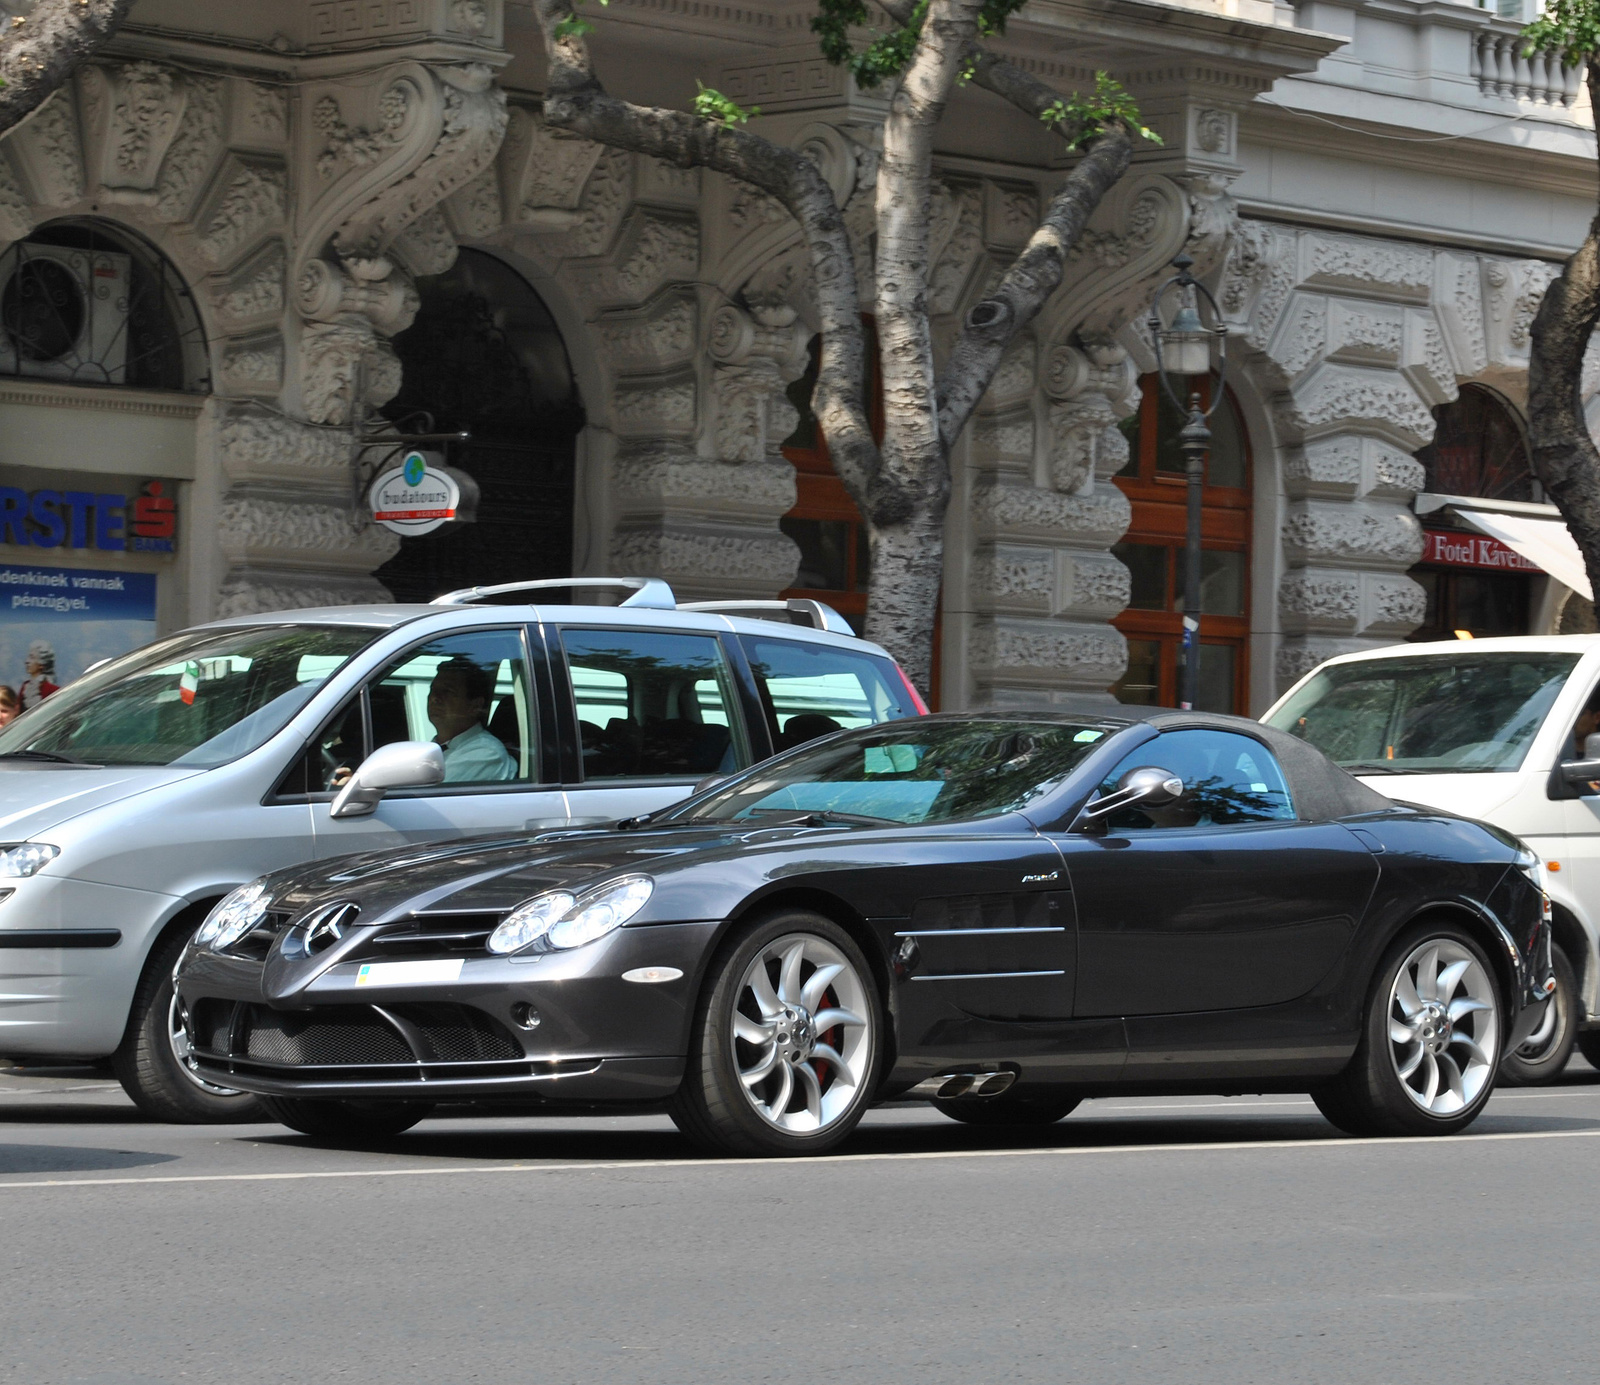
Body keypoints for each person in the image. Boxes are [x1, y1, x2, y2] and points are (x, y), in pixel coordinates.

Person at [427, 656, 516, 782]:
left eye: (447, 691)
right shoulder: (437, 748)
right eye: (433, 690)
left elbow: (423, 796)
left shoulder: (485, 752)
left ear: (476, 706)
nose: (434, 698)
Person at [18, 641, 58, 711]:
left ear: (41, 664)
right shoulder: (25, 687)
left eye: (32, 657)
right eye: (28, 657)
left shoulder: (52, 690)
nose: (27, 661)